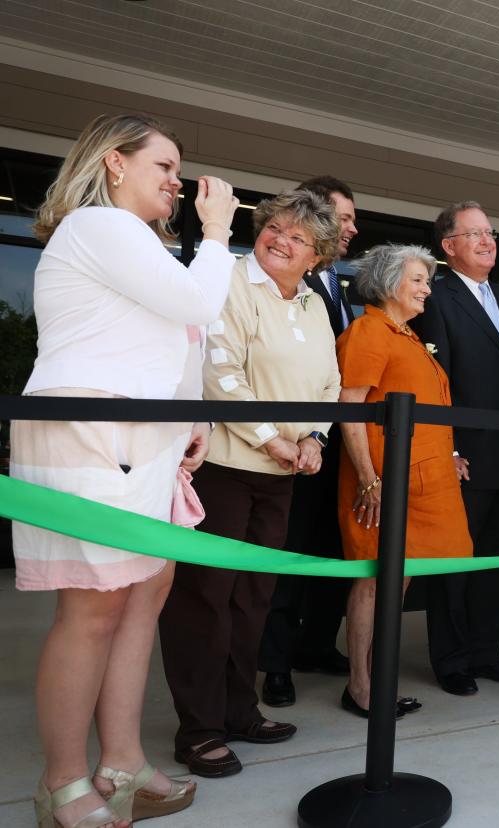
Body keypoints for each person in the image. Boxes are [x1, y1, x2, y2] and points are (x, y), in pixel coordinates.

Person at [14, 113, 236, 828]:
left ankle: (123, 762)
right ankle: (62, 783)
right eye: (165, 167)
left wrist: (192, 424)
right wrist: (220, 233)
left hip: (149, 439)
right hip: (95, 429)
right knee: (94, 603)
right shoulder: (98, 227)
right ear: (114, 162)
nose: (178, 183)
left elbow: (175, 343)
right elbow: (200, 302)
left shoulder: (137, 245)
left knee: (144, 593)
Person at [159, 189, 342, 777]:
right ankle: (199, 729)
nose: (281, 240)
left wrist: (313, 438)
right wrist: (273, 438)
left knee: (254, 598)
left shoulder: (313, 304)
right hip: (224, 467)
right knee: (205, 599)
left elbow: (328, 384)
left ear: (317, 257)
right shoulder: (231, 283)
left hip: (281, 472)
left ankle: (241, 710)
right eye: (276, 228)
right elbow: (220, 372)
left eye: (299, 238)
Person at [336, 243, 473, 717]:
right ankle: (360, 686)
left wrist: (448, 454)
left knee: (398, 584)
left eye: (427, 281)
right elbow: (349, 409)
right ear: (389, 282)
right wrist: (368, 479)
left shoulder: (408, 336)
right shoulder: (370, 331)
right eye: (417, 280)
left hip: (424, 483)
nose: (426, 290)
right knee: (374, 583)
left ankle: (378, 679)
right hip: (384, 483)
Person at [409, 201, 499, 697]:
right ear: (449, 246)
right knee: (454, 565)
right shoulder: (435, 299)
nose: (487, 241)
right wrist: (448, 447)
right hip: (463, 455)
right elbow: (435, 384)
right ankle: (452, 659)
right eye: (474, 234)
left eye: (491, 233)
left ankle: (486, 651)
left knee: (497, 563)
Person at [259, 175, 360, 708]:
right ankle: (275, 665)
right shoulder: (283, 284)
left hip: (332, 447)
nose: (352, 228)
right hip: (286, 448)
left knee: (328, 552)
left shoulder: (335, 286)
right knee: (287, 557)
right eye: (343, 218)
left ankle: (315, 645)